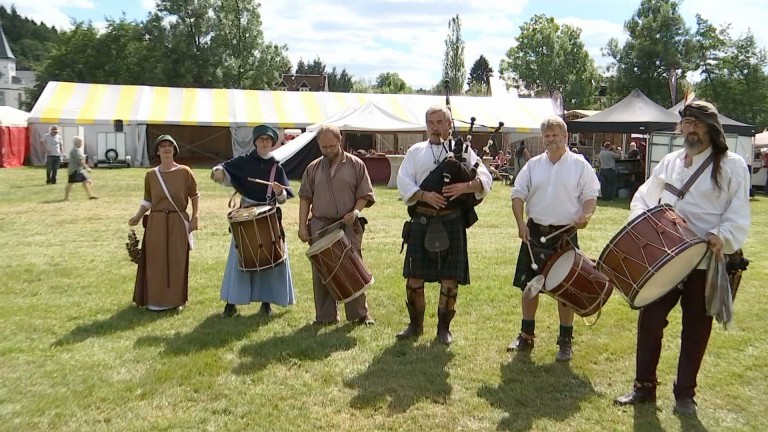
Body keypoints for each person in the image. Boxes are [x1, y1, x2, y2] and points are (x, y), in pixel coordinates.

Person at [614, 100, 750, 416]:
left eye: (697, 123)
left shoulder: (732, 166)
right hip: (665, 259)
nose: (690, 129)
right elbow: (644, 197)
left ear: (712, 128)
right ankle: (643, 387)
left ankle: (685, 395)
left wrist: (723, 235)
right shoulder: (671, 161)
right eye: (686, 123)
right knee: (649, 320)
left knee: (696, 328)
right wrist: (644, 224)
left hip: (704, 261)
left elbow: (738, 214)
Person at [395, 105, 492, 345]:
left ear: (449, 124)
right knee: (414, 278)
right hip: (423, 218)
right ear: (426, 125)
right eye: (431, 122)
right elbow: (403, 180)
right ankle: (415, 325)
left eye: (440, 122)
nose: (435, 127)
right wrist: (423, 195)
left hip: (452, 220)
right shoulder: (416, 151)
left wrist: (465, 187)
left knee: (450, 279)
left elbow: (485, 177)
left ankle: (443, 329)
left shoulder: (463, 151)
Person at [507, 116, 600, 361]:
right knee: (529, 287)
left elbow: (591, 196)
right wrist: (520, 224)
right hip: (535, 232)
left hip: (565, 233)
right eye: (546, 136)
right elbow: (517, 195)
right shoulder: (533, 165)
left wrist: (585, 215)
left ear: (565, 136)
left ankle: (565, 342)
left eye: (554, 135)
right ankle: (526, 337)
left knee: (566, 290)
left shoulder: (579, 165)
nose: (550, 140)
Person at [211, 125, 295, 317]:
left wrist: (279, 191)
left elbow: (284, 197)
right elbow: (223, 170)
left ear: (272, 144)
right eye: (261, 139)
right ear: (255, 141)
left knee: (272, 259)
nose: (264, 142)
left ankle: (267, 303)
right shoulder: (244, 162)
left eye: (268, 140)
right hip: (246, 215)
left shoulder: (276, 167)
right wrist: (217, 170)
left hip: (269, 216)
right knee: (238, 259)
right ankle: (231, 304)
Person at [298, 124, 376, 325]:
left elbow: (365, 194)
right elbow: (305, 197)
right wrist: (301, 226)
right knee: (321, 271)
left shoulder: (356, 164)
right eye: (324, 147)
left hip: (347, 225)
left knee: (352, 268)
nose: (328, 150)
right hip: (320, 225)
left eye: (332, 146)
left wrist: (356, 212)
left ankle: (359, 315)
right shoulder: (312, 168)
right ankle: (325, 317)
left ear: (339, 141)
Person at [128, 135, 199, 311]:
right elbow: (148, 200)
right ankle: (155, 301)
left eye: (170, 146)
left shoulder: (185, 172)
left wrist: (195, 217)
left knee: (177, 259)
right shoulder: (151, 175)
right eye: (162, 146)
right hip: (156, 222)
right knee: (155, 259)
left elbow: (195, 195)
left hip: (177, 220)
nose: (166, 149)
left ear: (174, 149)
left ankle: (175, 301)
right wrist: (137, 216)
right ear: (157, 151)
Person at [63, 136, 98, 200]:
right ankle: (66, 197)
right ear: (77, 143)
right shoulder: (75, 150)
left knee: (87, 181)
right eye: (81, 142)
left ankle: (90, 195)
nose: (82, 144)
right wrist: (87, 168)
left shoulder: (78, 150)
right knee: (70, 183)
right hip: (74, 170)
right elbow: (80, 161)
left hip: (79, 170)